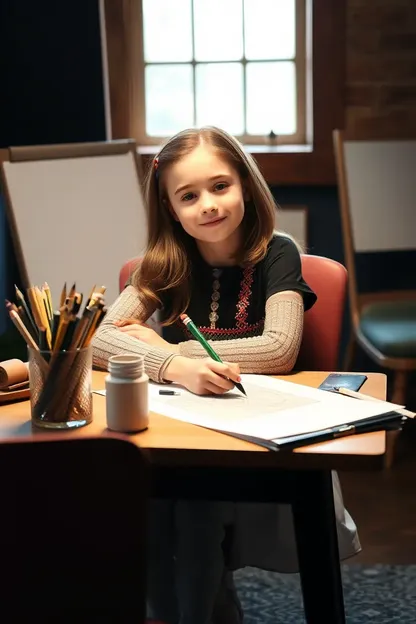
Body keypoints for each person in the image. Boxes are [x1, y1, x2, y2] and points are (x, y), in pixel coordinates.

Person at [92, 126, 360, 624]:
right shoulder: (163, 262)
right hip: (179, 425)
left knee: (196, 512)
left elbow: (279, 349)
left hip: (260, 429)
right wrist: (176, 367)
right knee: (147, 507)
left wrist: (169, 347)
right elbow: (98, 339)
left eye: (220, 186)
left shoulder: (277, 252)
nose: (208, 205)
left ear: (245, 184)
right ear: (171, 209)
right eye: (188, 196)